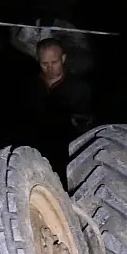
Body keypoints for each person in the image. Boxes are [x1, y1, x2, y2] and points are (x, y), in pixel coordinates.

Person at [32, 37, 92, 173]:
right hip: (35, 154)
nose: (50, 68)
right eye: (44, 63)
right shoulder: (29, 86)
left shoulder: (79, 88)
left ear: (63, 58)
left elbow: (85, 124)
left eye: (54, 62)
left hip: (67, 155)